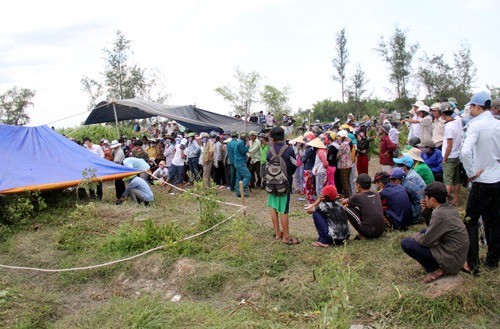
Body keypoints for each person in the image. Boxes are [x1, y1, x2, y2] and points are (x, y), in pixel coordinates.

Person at [461, 91, 500, 273]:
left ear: (477, 107)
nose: (471, 110)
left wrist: (471, 173)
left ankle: (473, 264)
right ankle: (493, 260)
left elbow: (465, 152)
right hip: (497, 179)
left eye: (472, 107)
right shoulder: (497, 124)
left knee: (471, 220)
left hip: (482, 180)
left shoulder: (475, 126)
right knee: (494, 220)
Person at [401, 182, 469, 283]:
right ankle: (440, 265)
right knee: (424, 232)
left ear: (432, 199)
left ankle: (437, 269)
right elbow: (432, 228)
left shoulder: (439, 215)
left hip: (452, 260)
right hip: (457, 255)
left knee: (406, 243)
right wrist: (427, 210)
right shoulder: (449, 208)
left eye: (426, 197)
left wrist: (416, 235)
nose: (424, 199)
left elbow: (425, 241)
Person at [266, 127, 298, 245]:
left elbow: (267, 165)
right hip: (285, 184)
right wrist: (287, 175)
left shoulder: (270, 151)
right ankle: (286, 237)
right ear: (284, 137)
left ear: (272, 138)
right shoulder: (289, 150)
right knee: (284, 210)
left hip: (271, 184)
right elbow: (294, 166)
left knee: (273, 208)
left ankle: (278, 233)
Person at [342, 174, 385, 239]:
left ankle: (361, 235)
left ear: (358, 185)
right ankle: (364, 231)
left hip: (369, 232)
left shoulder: (358, 196)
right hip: (381, 230)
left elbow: (343, 202)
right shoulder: (376, 194)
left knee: (346, 207)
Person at [440, 102, 463, 206]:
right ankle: (456, 200)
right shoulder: (457, 123)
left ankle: (444, 203)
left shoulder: (449, 127)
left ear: (442, 114)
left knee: (447, 181)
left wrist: (444, 158)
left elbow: (449, 145)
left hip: (449, 156)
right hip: (456, 155)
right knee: (456, 180)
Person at [392, 155, 426, 224]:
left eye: (398, 165)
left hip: (420, 206)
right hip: (420, 202)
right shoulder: (408, 174)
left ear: (404, 167)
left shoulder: (410, 178)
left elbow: (418, 193)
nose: (396, 166)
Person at [336, 130, 353, 198]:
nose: (338, 138)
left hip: (343, 165)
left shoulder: (343, 144)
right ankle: (348, 195)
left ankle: (347, 197)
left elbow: (338, 155)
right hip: (348, 164)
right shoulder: (349, 143)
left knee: (344, 182)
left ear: (343, 137)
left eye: (339, 136)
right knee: (347, 181)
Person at [234, 131, 252, 197]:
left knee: (239, 177)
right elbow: (243, 152)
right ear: (245, 137)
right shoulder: (241, 143)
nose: (248, 138)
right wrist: (248, 146)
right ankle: (240, 190)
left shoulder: (239, 142)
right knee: (248, 175)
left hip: (238, 162)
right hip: (240, 162)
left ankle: (238, 192)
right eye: (247, 137)